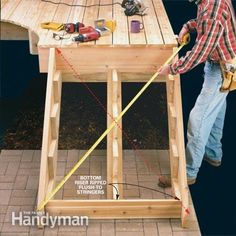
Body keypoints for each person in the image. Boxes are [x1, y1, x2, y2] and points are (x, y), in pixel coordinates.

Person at [158, 0, 236, 187]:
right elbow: (203, 22)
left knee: (198, 119)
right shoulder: (208, 2)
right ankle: (213, 153)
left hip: (221, 68)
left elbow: (200, 52)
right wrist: (187, 27)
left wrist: (172, 68)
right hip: (223, 63)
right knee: (216, 111)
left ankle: (188, 173)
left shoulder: (213, 11)